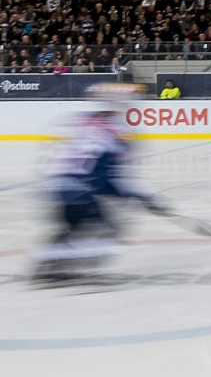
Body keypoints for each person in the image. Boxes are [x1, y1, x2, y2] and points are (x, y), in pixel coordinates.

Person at [33, 84, 167, 278]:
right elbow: (105, 181)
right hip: (79, 189)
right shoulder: (113, 137)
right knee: (110, 228)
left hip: (57, 184)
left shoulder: (84, 124)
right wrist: (145, 198)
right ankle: (86, 267)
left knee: (71, 226)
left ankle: (46, 264)